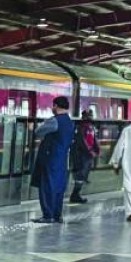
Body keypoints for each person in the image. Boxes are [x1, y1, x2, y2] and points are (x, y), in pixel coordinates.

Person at [31, 96, 75, 224]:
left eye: (53, 106)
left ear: (55, 106)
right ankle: (57, 215)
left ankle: (47, 215)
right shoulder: (70, 122)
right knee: (58, 188)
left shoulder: (54, 121)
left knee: (46, 187)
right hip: (62, 159)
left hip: (50, 158)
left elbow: (38, 132)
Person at [69, 109, 100, 204]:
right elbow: (82, 141)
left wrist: (96, 149)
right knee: (80, 175)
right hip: (81, 155)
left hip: (87, 155)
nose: (90, 117)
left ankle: (76, 194)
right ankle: (75, 195)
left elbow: (93, 140)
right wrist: (91, 151)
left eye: (90, 115)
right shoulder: (81, 128)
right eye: (88, 115)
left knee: (83, 175)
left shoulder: (91, 127)